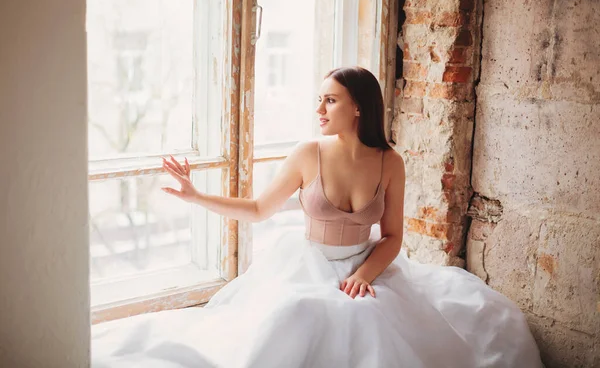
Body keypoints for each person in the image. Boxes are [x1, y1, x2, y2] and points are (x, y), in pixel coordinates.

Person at [92, 67, 543, 368]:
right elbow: (257, 210)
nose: (319, 110)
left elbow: (390, 237)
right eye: (319, 100)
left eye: (330, 101)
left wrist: (364, 275)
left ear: (359, 107)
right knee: (295, 316)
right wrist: (195, 196)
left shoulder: (390, 162)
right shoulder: (308, 154)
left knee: (375, 326)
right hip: (305, 265)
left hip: (365, 266)